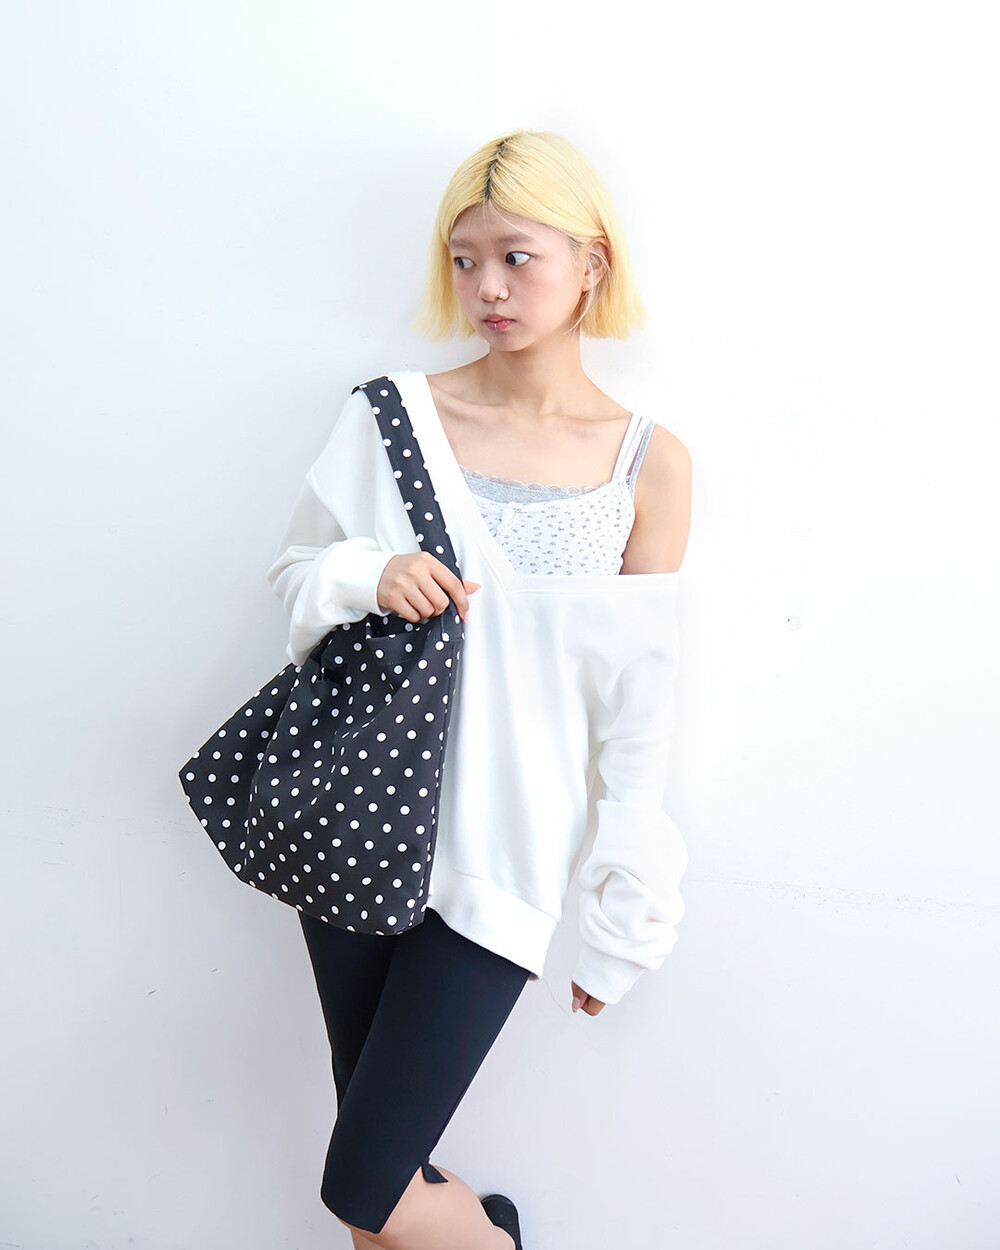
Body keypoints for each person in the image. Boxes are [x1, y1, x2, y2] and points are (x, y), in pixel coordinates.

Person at [265, 128, 692, 1250]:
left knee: (365, 1185)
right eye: (464, 260)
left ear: (591, 263)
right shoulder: (389, 416)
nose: (487, 288)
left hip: (509, 849)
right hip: (363, 823)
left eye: (516, 257)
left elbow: (642, 706)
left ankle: (495, 1239)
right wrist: (368, 573)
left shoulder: (648, 462)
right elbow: (296, 571)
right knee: (381, 1190)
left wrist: (626, 907)